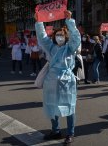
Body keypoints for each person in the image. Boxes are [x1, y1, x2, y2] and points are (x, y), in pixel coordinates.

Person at [34, 10, 80, 144]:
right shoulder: (50, 47)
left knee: (70, 106)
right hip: (51, 81)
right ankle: (56, 130)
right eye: (57, 35)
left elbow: (76, 37)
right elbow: (42, 37)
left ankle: (70, 133)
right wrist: (38, 21)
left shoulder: (70, 47)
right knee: (51, 105)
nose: (59, 36)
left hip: (67, 81)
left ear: (66, 37)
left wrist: (70, 21)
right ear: (54, 37)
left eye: (62, 35)